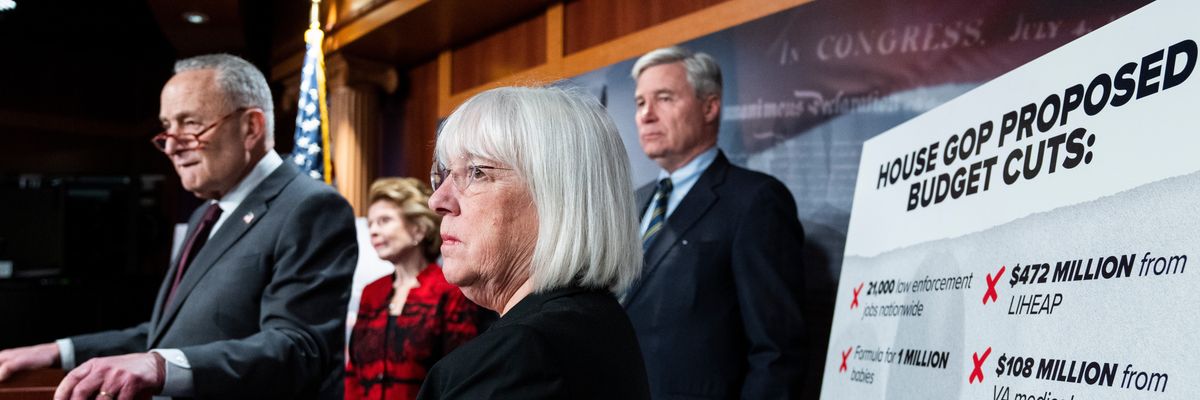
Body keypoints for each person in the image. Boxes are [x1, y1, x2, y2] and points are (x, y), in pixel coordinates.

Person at [0, 54, 357, 400]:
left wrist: (159, 366)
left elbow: (298, 348)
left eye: (190, 124)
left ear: (250, 127)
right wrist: (56, 352)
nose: (171, 145)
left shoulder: (310, 207)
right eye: (167, 127)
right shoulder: (206, 215)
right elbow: (168, 340)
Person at [414, 86, 650, 399]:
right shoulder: (598, 322)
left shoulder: (522, 356)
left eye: (476, 172)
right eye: (443, 175)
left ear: (557, 197)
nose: (437, 201)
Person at [622, 46, 808, 399]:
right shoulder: (633, 203)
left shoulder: (756, 200)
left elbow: (777, 353)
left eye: (664, 98)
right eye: (640, 102)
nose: (646, 115)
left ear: (710, 107)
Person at [345, 177, 484, 400]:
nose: (373, 231)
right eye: (370, 223)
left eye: (384, 221)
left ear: (418, 229)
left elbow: (460, 372)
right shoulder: (372, 293)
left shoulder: (450, 290)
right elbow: (353, 373)